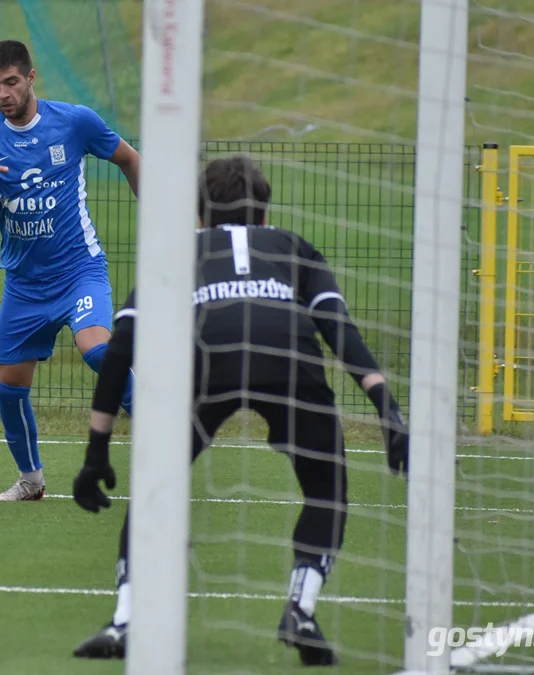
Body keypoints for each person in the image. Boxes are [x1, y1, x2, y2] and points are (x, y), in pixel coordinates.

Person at [69, 155, 410, 664]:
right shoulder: (294, 246)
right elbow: (340, 332)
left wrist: (97, 449)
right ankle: (301, 606)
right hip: (289, 356)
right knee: (326, 487)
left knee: (156, 490)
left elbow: (121, 346)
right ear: (266, 217)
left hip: (208, 360)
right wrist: (390, 413)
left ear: (200, 217)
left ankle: (124, 622)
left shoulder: (179, 250)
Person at [0, 40, 140, 501]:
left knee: (97, 350)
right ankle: (31, 481)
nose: (3, 94)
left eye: (11, 83)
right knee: (9, 388)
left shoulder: (74, 122)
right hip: (24, 284)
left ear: (31, 77)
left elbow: (129, 159)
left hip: (80, 269)